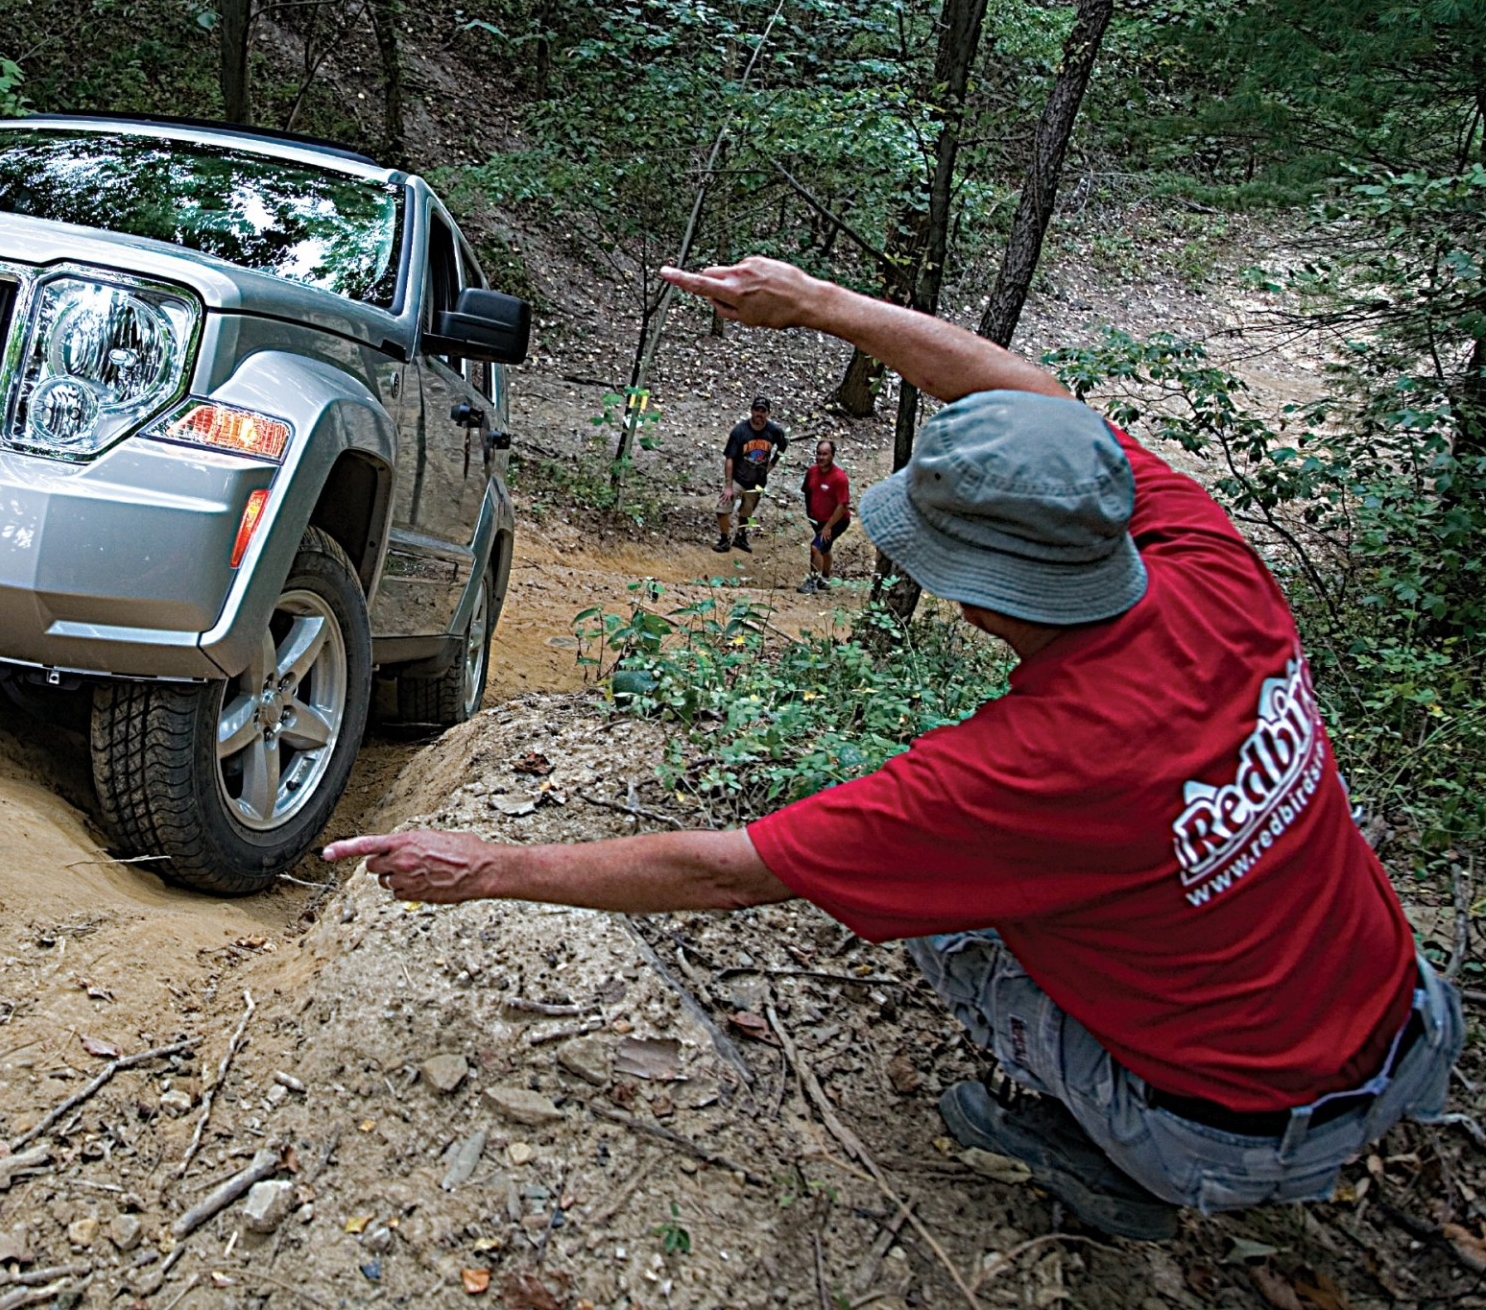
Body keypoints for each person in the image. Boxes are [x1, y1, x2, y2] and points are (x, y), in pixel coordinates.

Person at [325, 256, 1462, 1242]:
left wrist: (487, 869)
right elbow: (1039, 403)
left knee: (946, 917)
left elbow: (734, 869)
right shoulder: (1202, 556)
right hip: (1407, 1022)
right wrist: (812, 302)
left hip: (1230, 1134)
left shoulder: (1031, 769)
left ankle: (1098, 1151)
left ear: (979, 591)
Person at [714, 396, 789, 553]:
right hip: (738, 477)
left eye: (763, 411)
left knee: (747, 512)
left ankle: (741, 537)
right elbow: (729, 459)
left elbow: (783, 444)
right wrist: (728, 485)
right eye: (756, 410)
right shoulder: (740, 431)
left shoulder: (774, 431)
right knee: (722, 508)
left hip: (758, 480)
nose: (759, 414)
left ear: (768, 413)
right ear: (751, 411)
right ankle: (724, 538)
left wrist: (773, 463)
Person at [799, 439, 852, 593]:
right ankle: (825, 579)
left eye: (825, 454)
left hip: (837, 521)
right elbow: (807, 492)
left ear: (832, 455)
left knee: (815, 548)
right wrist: (810, 513)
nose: (821, 457)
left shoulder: (839, 478)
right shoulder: (812, 471)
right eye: (818, 453)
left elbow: (843, 505)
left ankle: (813, 581)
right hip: (817, 519)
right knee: (825, 548)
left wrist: (828, 527)